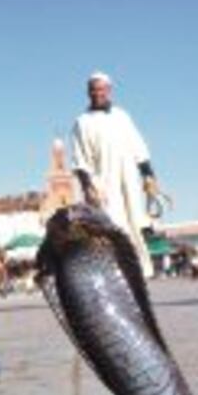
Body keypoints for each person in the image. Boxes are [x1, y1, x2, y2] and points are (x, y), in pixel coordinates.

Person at [70, 73, 160, 279]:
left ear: (109, 90)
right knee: (111, 224)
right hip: (102, 181)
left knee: (134, 221)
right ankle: (116, 271)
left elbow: (138, 145)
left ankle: (141, 270)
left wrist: (148, 175)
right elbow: (79, 158)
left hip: (128, 177)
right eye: (94, 89)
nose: (97, 93)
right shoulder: (81, 122)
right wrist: (87, 185)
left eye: (101, 89)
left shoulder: (122, 116)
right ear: (88, 92)